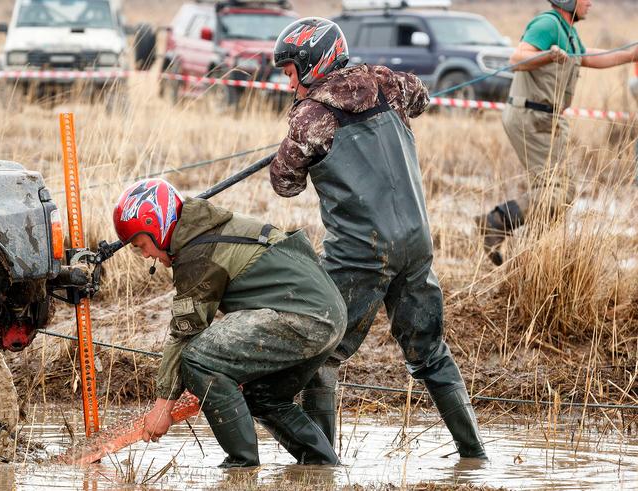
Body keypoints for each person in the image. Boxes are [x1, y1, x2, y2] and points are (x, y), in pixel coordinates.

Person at [268, 17, 487, 459]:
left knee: (322, 356)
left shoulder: (311, 116)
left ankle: (320, 467)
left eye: (291, 73)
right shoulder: (388, 83)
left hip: (360, 255)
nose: (290, 84)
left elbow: (285, 184)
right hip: (416, 241)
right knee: (431, 355)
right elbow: (420, 95)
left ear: (313, 63)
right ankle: (475, 455)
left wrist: (291, 145)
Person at [113, 178, 347, 467]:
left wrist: (163, 405)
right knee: (264, 396)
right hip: (329, 315)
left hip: (301, 316)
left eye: (142, 245)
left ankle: (241, 466)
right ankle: (322, 466)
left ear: (156, 225)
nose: (145, 254)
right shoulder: (208, 228)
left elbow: (185, 332)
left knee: (198, 359)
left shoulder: (197, 251)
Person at [477, 0, 638, 265]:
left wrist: (631, 54)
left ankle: (533, 256)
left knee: (562, 190)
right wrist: (547, 55)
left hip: (547, 119)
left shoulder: (568, 31)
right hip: (532, 116)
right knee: (556, 192)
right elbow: (517, 59)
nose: (591, 3)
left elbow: (589, 57)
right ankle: (496, 222)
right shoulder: (548, 24)